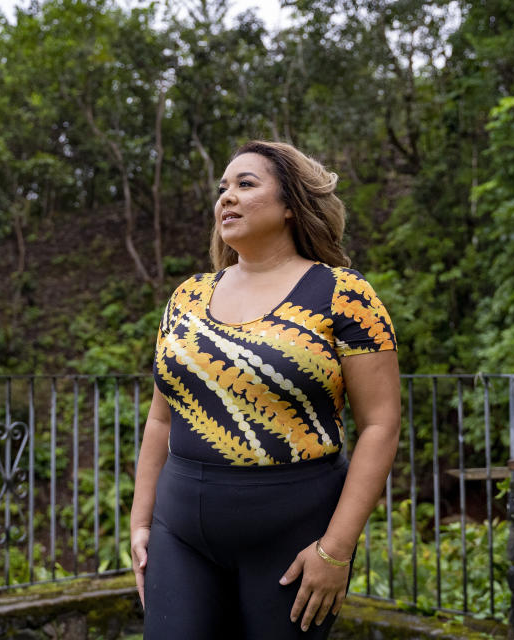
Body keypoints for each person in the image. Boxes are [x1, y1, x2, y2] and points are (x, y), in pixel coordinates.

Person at [130, 140, 401, 639]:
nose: (226, 198)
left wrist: (336, 550)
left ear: (291, 205)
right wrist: (140, 523)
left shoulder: (343, 294)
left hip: (295, 537)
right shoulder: (187, 296)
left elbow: (381, 425)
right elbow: (160, 419)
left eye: (245, 184)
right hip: (180, 532)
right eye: (222, 188)